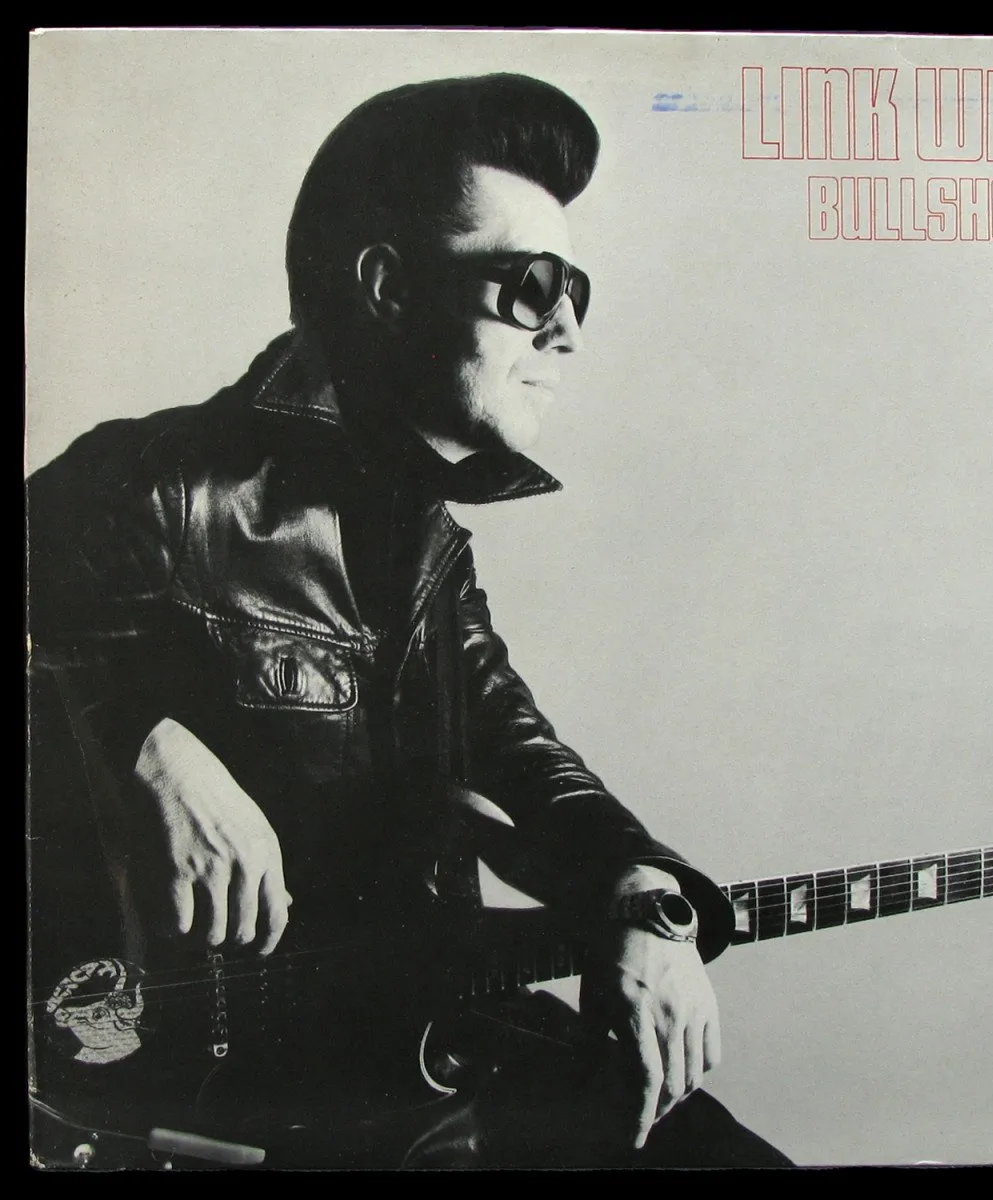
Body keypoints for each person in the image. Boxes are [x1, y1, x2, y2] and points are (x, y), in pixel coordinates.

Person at [26, 73, 792, 1169]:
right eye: (532, 285)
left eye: (578, 289)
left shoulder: (428, 551)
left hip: (409, 1061)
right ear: (387, 287)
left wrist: (649, 901)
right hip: (176, 1105)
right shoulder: (155, 485)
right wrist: (144, 742)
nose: (568, 331)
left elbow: (523, 754)